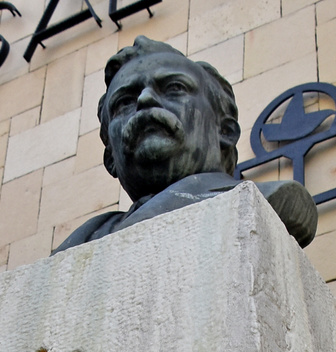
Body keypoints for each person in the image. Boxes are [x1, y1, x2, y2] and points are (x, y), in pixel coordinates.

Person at [55, 35, 318, 251]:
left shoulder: (266, 200)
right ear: (110, 159)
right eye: (124, 102)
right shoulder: (82, 242)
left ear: (225, 130)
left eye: (174, 88)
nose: (145, 100)